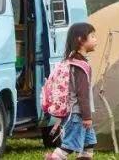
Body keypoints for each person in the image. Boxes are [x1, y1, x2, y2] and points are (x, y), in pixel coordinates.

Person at [46, 22, 98, 160]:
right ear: (81, 40)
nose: (95, 40)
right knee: (69, 146)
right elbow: (82, 94)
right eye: (92, 36)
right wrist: (87, 116)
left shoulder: (71, 61)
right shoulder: (80, 66)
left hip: (76, 113)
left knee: (89, 144)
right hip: (77, 115)